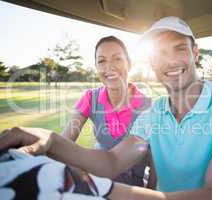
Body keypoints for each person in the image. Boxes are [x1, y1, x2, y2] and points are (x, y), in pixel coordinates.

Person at [0, 16, 212, 200]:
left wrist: (109, 190)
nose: (171, 61)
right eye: (159, 53)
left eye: (179, 48)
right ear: (150, 62)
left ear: (195, 53)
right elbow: (112, 161)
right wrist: (50, 140)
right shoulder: (154, 113)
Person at [60, 35, 153, 187]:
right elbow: (65, 141)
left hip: (131, 192)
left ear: (129, 64)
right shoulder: (90, 98)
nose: (109, 67)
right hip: (94, 185)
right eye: (102, 61)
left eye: (117, 58)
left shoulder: (148, 107)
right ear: (96, 67)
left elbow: (155, 162)